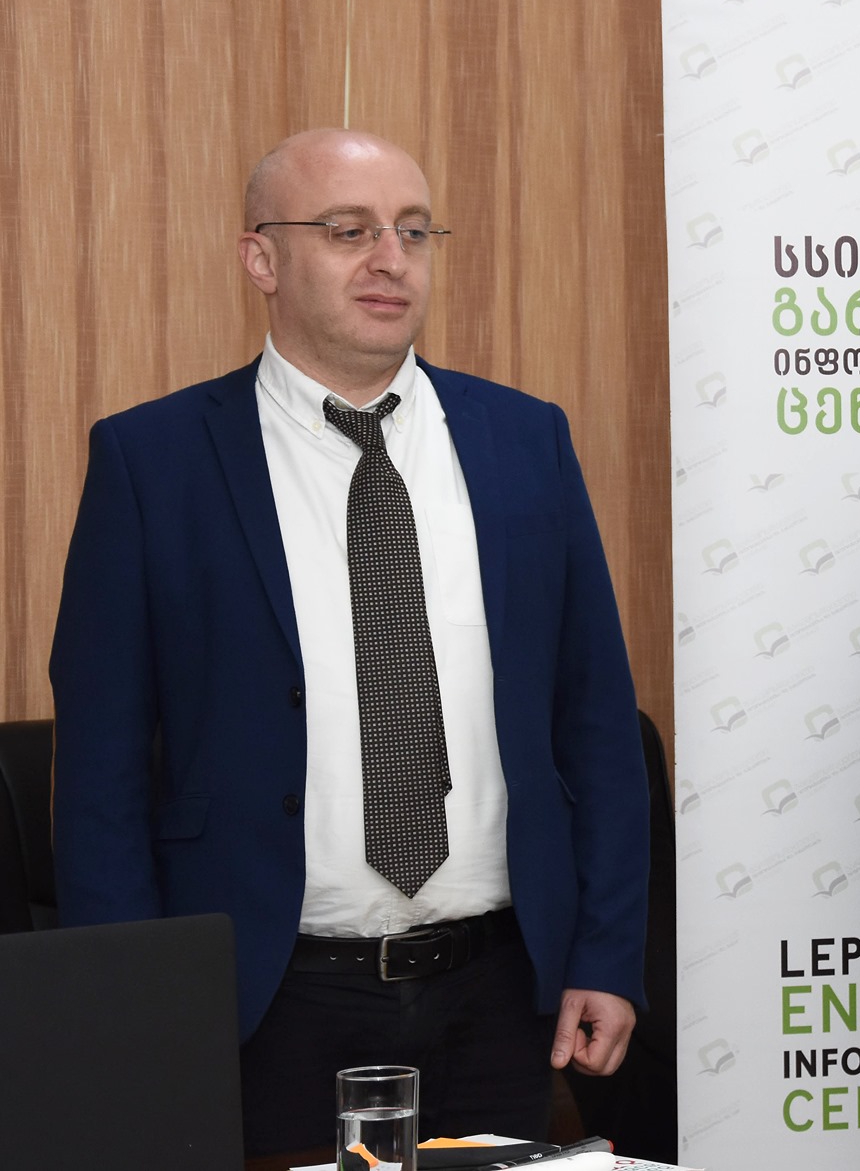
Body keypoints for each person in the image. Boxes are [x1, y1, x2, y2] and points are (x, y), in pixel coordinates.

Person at [49, 129, 649, 1154]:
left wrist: (604, 952)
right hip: (261, 1001)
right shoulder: (153, 461)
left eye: (413, 231)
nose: (390, 259)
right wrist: (136, 1004)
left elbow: (593, 721)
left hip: (500, 996)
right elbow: (100, 770)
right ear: (262, 258)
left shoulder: (525, 441)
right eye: (348, 230)